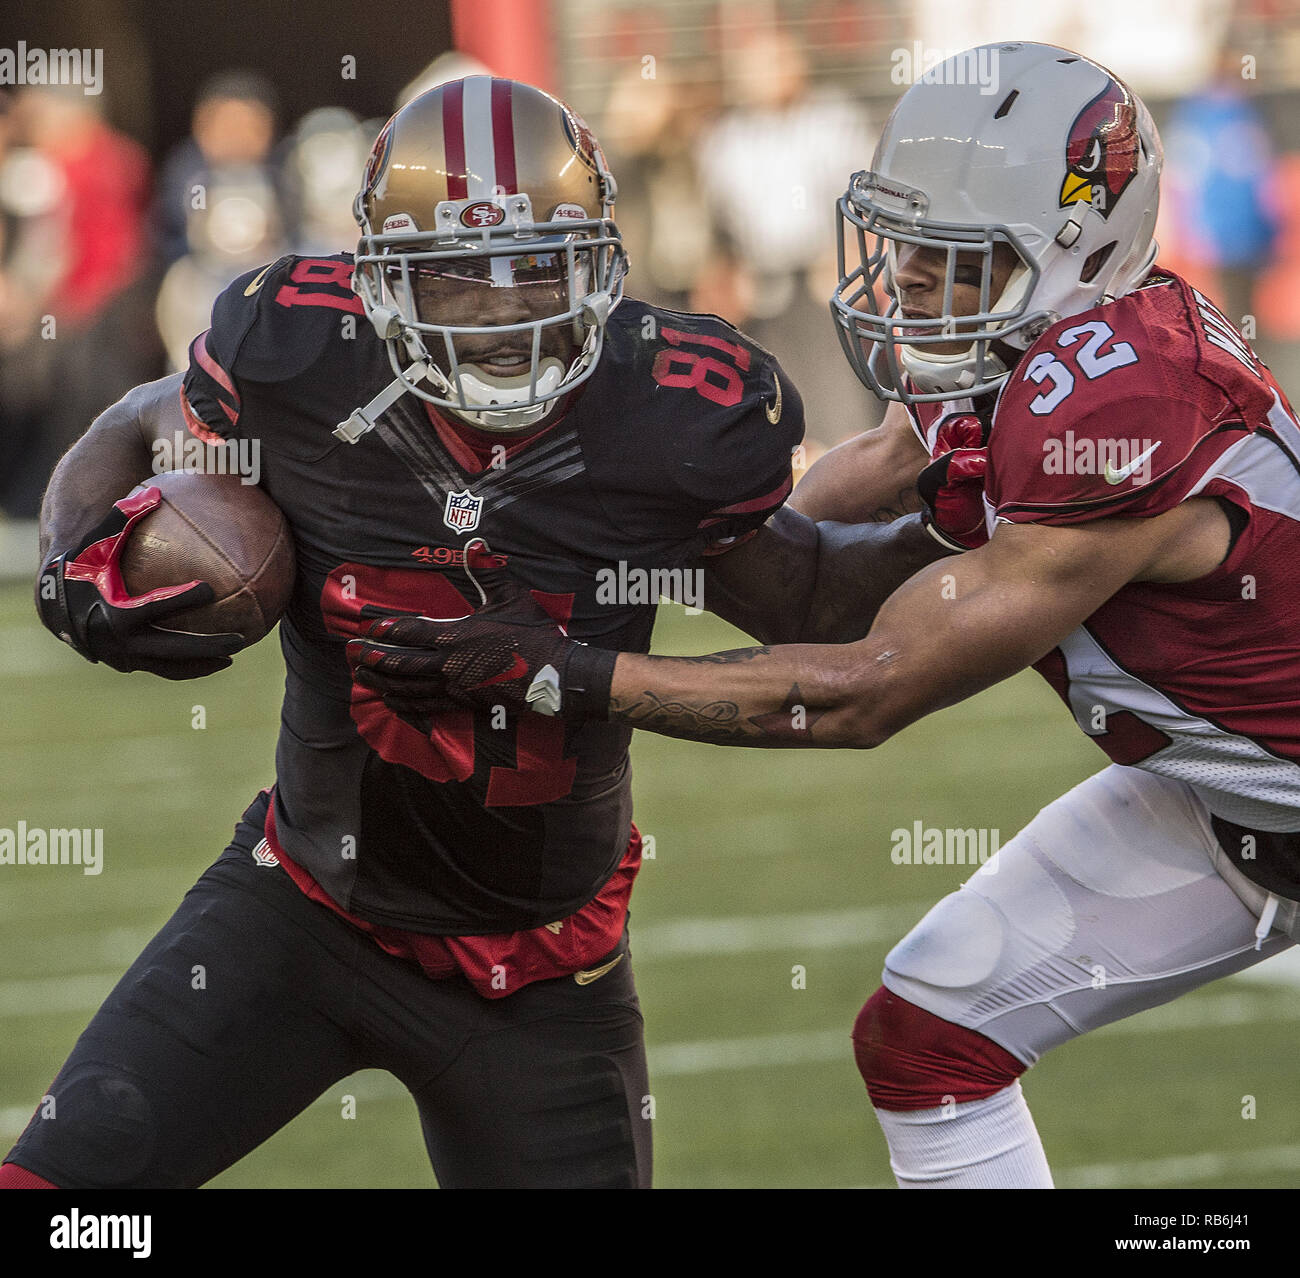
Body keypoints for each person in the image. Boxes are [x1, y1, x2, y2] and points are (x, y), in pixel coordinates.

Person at [362, 44, 1300, 1188]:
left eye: (946, 255)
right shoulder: (1034, 346)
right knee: (929, 1040)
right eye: (899, 238)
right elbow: (839, 498)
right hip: (1229, 797)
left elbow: (864, 687)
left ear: (1070, 251)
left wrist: (564, 668)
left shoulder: (1112, 411)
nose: (901, 275)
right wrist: (640, 530)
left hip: (1263, 790)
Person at [8, 77, 942, 1190]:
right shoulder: (297, 352)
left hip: (544, 974)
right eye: (455, 274)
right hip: (297, 909)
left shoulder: (676, 412)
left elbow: (809, 608)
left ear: (601, 257)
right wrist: (68, 561)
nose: (502, 310)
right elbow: (138, 417)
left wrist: (971, 504)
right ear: (375, 279)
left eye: (536, 265)